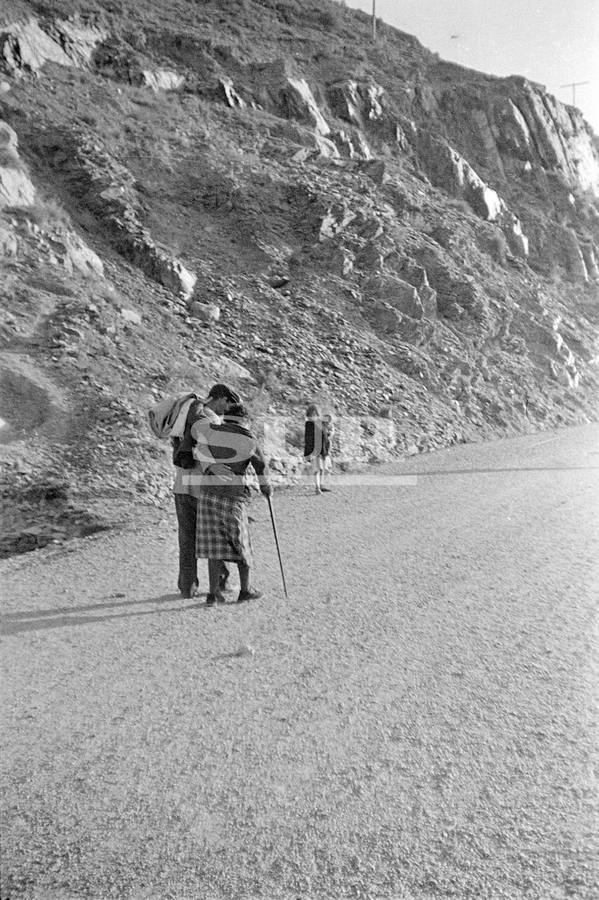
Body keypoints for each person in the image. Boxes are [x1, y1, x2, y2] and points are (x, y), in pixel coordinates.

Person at [196, 404, 272, 605]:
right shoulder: (248, 439)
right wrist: (266, 490)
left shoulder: (210, 433)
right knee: (241, 543)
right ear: (245, 420)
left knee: (214, 546)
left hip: (208, 495)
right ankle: (245, 590)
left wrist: (211, 466)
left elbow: (198, 451)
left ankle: (213, 594)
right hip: (232, 497)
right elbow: (261, 468)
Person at [172, 383, 240, 599]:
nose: (228, 408)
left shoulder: (186, 414)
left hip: (182, 485)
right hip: (204, 489)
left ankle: (187, 587)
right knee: (215, 536)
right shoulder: (210, 420)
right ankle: (220, 582)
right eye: (228, 402)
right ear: (219, 398)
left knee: (187, 539)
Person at [303, 403, 326, 494]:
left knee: (320, 468)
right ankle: (317, 487)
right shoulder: (309, 425)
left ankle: (320, 485)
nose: (313, 416)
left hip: (321, 450)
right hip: (314, 450)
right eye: (311, 414)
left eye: (314, 414)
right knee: (316, 469)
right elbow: (308, 439)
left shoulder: (320, 423)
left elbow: (324, 438)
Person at [321, 413, 335, 492]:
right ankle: (322, 486)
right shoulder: (321, 428)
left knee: (328, 468)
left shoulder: (329, 427)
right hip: (323, 451)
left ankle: (324, 485)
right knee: (324, 468)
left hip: (327, 451)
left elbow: (331, 435)